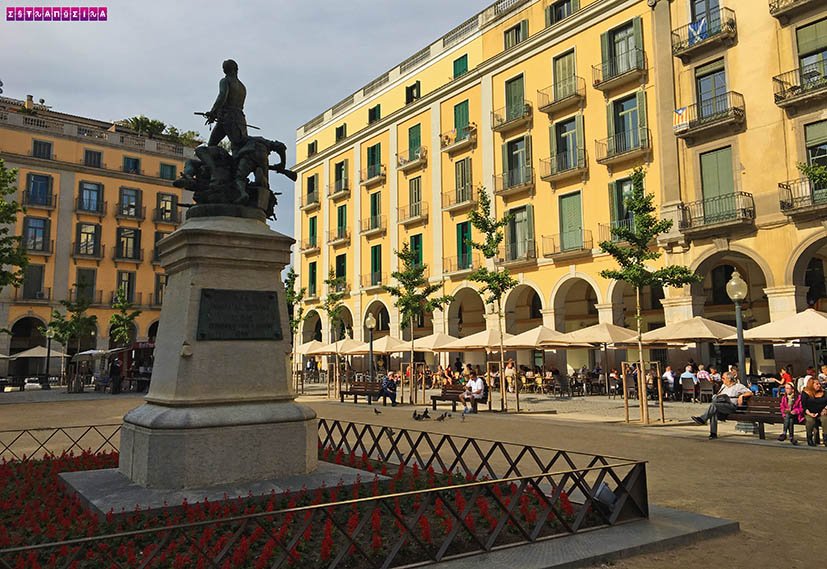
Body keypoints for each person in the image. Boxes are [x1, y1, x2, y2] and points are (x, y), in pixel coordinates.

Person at [691, 372, 752, 439]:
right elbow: (718, 395)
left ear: (729, 379)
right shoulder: (723, 386)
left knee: (714, 406)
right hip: (721, 405)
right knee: (713, 411)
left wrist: (742, 396)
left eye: (723, 378)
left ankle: (703, 419)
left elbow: (750, 392)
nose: (722, 379)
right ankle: (713, 433)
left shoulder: (738, 386)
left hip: (731, 406)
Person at [205, 59, 248, 155]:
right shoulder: (242, 87)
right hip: (240, 120)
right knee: (239, 148)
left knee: (211, 146)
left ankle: (214, 167)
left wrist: (212, 112)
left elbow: (222, 96)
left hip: (226, 118)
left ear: (224, 70)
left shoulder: (225, 81)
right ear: (237, 69)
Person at [800, 377, 827, 447]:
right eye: (817, 384)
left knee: (825, 419)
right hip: (809, 412)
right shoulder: (805, 393)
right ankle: (809, 438)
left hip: (821, 412)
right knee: (810, 421)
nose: (819, 385)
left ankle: (825, 438)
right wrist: (810, 413)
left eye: (819, 384)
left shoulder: (824, 392)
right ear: (811, 384)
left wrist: (825, 409)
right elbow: (804, 406)